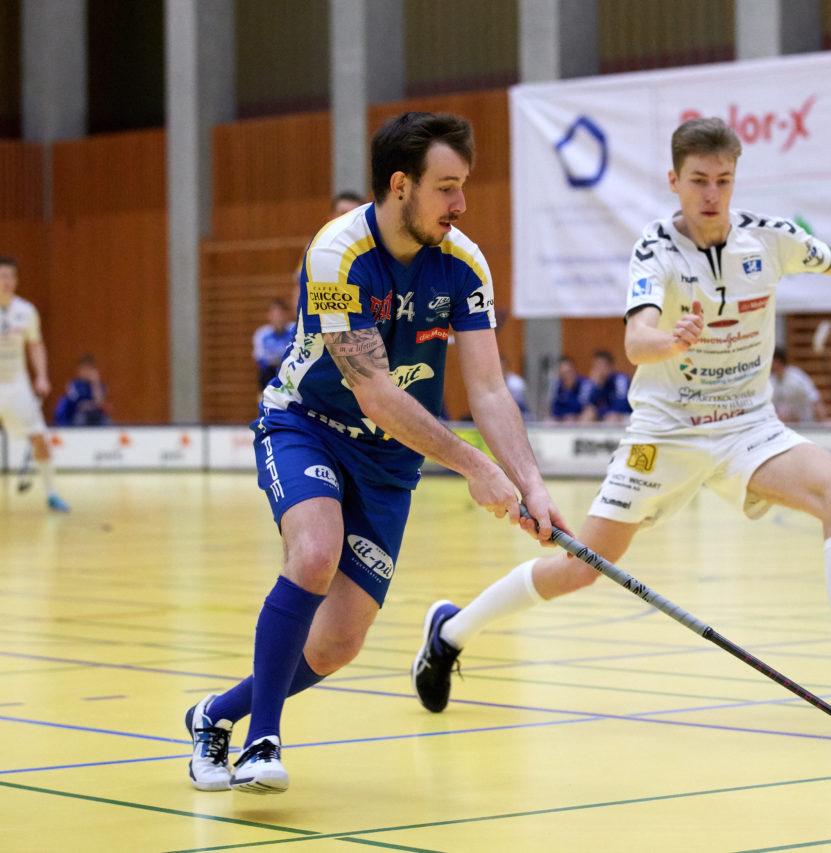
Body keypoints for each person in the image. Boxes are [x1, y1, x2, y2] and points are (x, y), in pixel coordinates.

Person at [411, 116, 831, 718]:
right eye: (699, 181)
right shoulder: (656, 248)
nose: (712, 195)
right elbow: (637, 337)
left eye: (723, 180)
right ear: (674, 180)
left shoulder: (768, 238)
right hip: (664, 437)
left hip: (749, 427)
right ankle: (451, 632)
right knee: (579, 569)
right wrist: (668, 342)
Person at [182, 112, 565, 796]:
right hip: (309, 424)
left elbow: (487, 387)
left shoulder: (465, 264)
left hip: (390, 465)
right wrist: (478, 467)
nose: (461, 203)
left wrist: (530, 482)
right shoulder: (335, 255)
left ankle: (215, 715)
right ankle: (262, 740)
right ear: (400, 185)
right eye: (447, 187)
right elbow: (374, 392)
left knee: (337, 643)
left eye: (464, 185)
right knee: (314, 551)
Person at [0, 257, 69, 511]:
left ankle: (51, 493)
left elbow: (35, 344)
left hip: (17, 385)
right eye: (2, 276)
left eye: (11, 277)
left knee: (40, 438)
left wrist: (41, 375)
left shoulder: (26, 311)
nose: (8, 282)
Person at [288, 191, 367, 313]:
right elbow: (298, 293)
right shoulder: (313, 249)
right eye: (343, 214)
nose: (348, 221)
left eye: (354, 216)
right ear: (331, 218)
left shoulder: (371, 251)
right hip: (324, 324)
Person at [770, 347, 828, 423]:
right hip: (785, 427)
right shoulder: (771, 382)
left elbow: (815, 400)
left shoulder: (797, 378)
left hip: (805, 425)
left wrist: (824, 422)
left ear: (777, 361)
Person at [53, 354, 110, 426]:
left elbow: (100, 402)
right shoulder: (74, 385)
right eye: (84, 369)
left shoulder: (99, 385)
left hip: (96, 415)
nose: (86, 372)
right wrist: (93, 405)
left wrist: (95, 383)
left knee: (106, 422)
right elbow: (77, 404)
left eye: (89, 369)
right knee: (80, 420)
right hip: (78, 415)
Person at [252, 299, 293, 390]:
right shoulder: (262, 334)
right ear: (269, 316)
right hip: (270, 375)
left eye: (280, 315)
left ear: (286, 315)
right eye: (274, 315)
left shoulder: (294, 330)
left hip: (290, 374)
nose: (277, 318)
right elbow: (261, 360)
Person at [585, 349, 632, 422]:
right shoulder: (596, 383)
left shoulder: (620, 379)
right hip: (605, 415)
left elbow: (623, 404)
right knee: (588, 414)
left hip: (626, 415)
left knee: (612, 418)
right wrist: (596, 386)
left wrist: (605, 412)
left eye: (601, 365)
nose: (598, 369)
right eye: (596, 366)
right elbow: (589, 404)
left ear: (610, 367)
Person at [549, 355, 594, 421]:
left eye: (569, 372)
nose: (567, 376)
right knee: (549, 421)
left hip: (579, 418)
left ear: (575, 370)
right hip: (563, 419)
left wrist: (573, 416)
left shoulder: (585, 384)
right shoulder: (557, 386)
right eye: (563, 373)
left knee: (589, 413)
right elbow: (554, 409)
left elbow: (583, 406)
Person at [500, 352, 530, 419]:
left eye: (501, 366)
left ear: (506, 367)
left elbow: (519, 405)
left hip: (521, 416)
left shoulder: (517, 383)